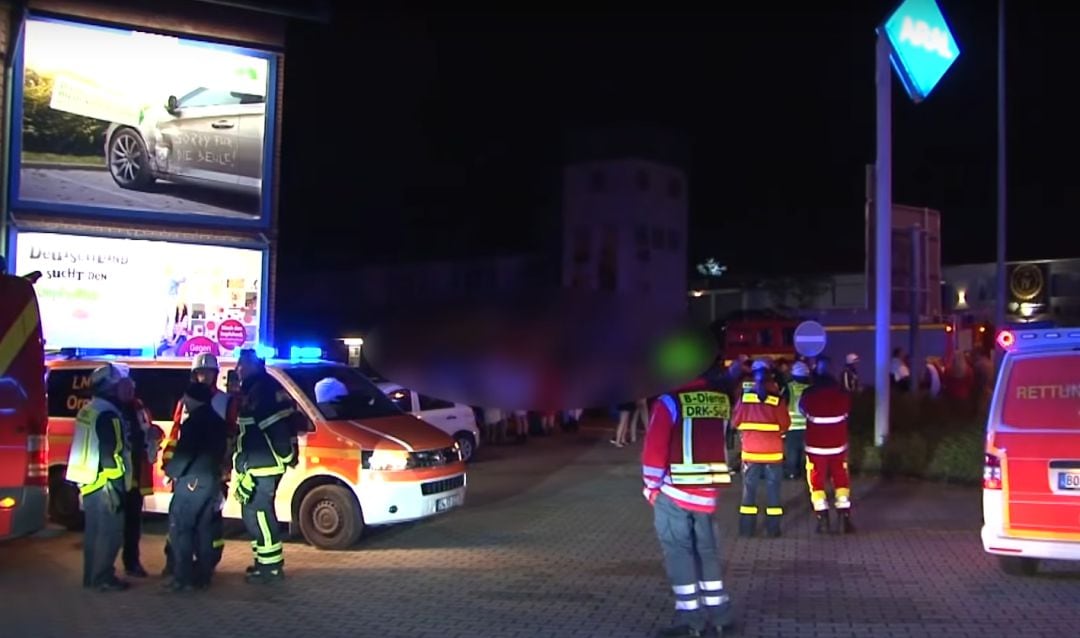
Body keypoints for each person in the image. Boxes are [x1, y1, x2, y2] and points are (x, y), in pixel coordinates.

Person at [642, 368, 734, 638]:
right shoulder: (720, 400)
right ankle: (720, 617)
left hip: (675, 491)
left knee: (679, 552)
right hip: (708, 490)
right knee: (707, 551)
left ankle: (690, 620)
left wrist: (651, 486)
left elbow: (655, 447)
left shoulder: (670, 401)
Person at [162, 353, 235, 579]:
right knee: (180, 522)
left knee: (209, 522)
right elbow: (176, 434)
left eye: (208, 373)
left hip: (211, 471)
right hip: (186, 472)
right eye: (200, 373)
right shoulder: (185, 401)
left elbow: (231, 437)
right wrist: (169, 465)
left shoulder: (226, 401)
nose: (204, 377)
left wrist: (226, 467)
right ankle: (174, 563)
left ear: (216, 374)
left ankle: (206, 565)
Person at [65, 364, 132, 592]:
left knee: (94, 532)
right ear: (111, 387)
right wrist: (115, 484)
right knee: (111, 533)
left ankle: (91, 576)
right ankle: (103, 577)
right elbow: (109, 453)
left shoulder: (89, 409)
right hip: (105, 483)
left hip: (88, 481)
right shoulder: (109, 414)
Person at [234, 348, 298, 583]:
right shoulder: (260, 387)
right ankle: (262, 562)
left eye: (241, 365)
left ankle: (270, 568)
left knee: (260, 514)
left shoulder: (261, 390)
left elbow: (276, 427)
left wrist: (284, 456)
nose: (237, 369)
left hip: (264, 464)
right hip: (258, 463)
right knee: (252, 513)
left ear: (252, 366)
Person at [732, 360, 790, 538]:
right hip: (773, 454)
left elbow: (735, 422)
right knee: (773, 491)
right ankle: (773, 530)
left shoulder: (745, 398)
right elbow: (785, 425)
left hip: (750, 453)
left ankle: (746, 530)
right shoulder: (777, 399)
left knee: (749, 492)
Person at [116, 375, 163, 579]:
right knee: (115, 523)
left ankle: (132, 562)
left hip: (135, 472)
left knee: (134, 523)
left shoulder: (139, 408)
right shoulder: (113, 409)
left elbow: (148, 430)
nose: (128, 392)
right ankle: (107, 566)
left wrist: (155, 433)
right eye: (124, 389)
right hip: (117, 474)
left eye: (130, 389)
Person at [798, 370, 854, 534]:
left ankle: (822, 519)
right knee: (841, 478)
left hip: (815, 447)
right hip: (838, 446)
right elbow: (847, 413)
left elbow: (803, 410)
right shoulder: (843, 396)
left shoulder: (809, 396)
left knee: (816, 482)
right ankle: (844, 517)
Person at [780, 361, 811, 481]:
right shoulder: (810, 387)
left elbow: (782, 404)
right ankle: (807, 472)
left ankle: (792, 473)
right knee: (806, 451)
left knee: (792, 451)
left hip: (792, 425)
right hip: (808, 425)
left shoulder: (788, 387)